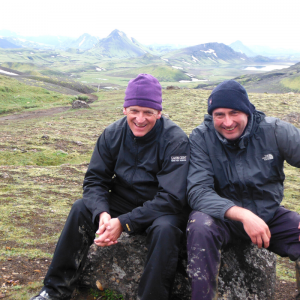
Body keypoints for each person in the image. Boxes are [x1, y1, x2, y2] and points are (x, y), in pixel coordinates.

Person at [31, 74, 190, 300]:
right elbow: (95, 180)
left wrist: (124, 222)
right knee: (80, 209)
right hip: (122, 201)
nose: (140, 119)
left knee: (166, 230)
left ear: (159, 113)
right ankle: (55, 290)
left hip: (160, 209)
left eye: (148, 112)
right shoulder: (112, 134)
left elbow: (173, 198)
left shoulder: (175, 141)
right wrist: (102, 212)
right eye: (134, 110)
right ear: (125, 109)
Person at [186, 80, 300, 300]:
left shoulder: (274, 130)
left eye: (234, 112)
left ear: (247, 111)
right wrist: (244, 215)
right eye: (219, 114)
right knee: (199, 225)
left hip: (268, 215)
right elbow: (198, 191)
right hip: (222, 219)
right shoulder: (201, 137)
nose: (227, 122)